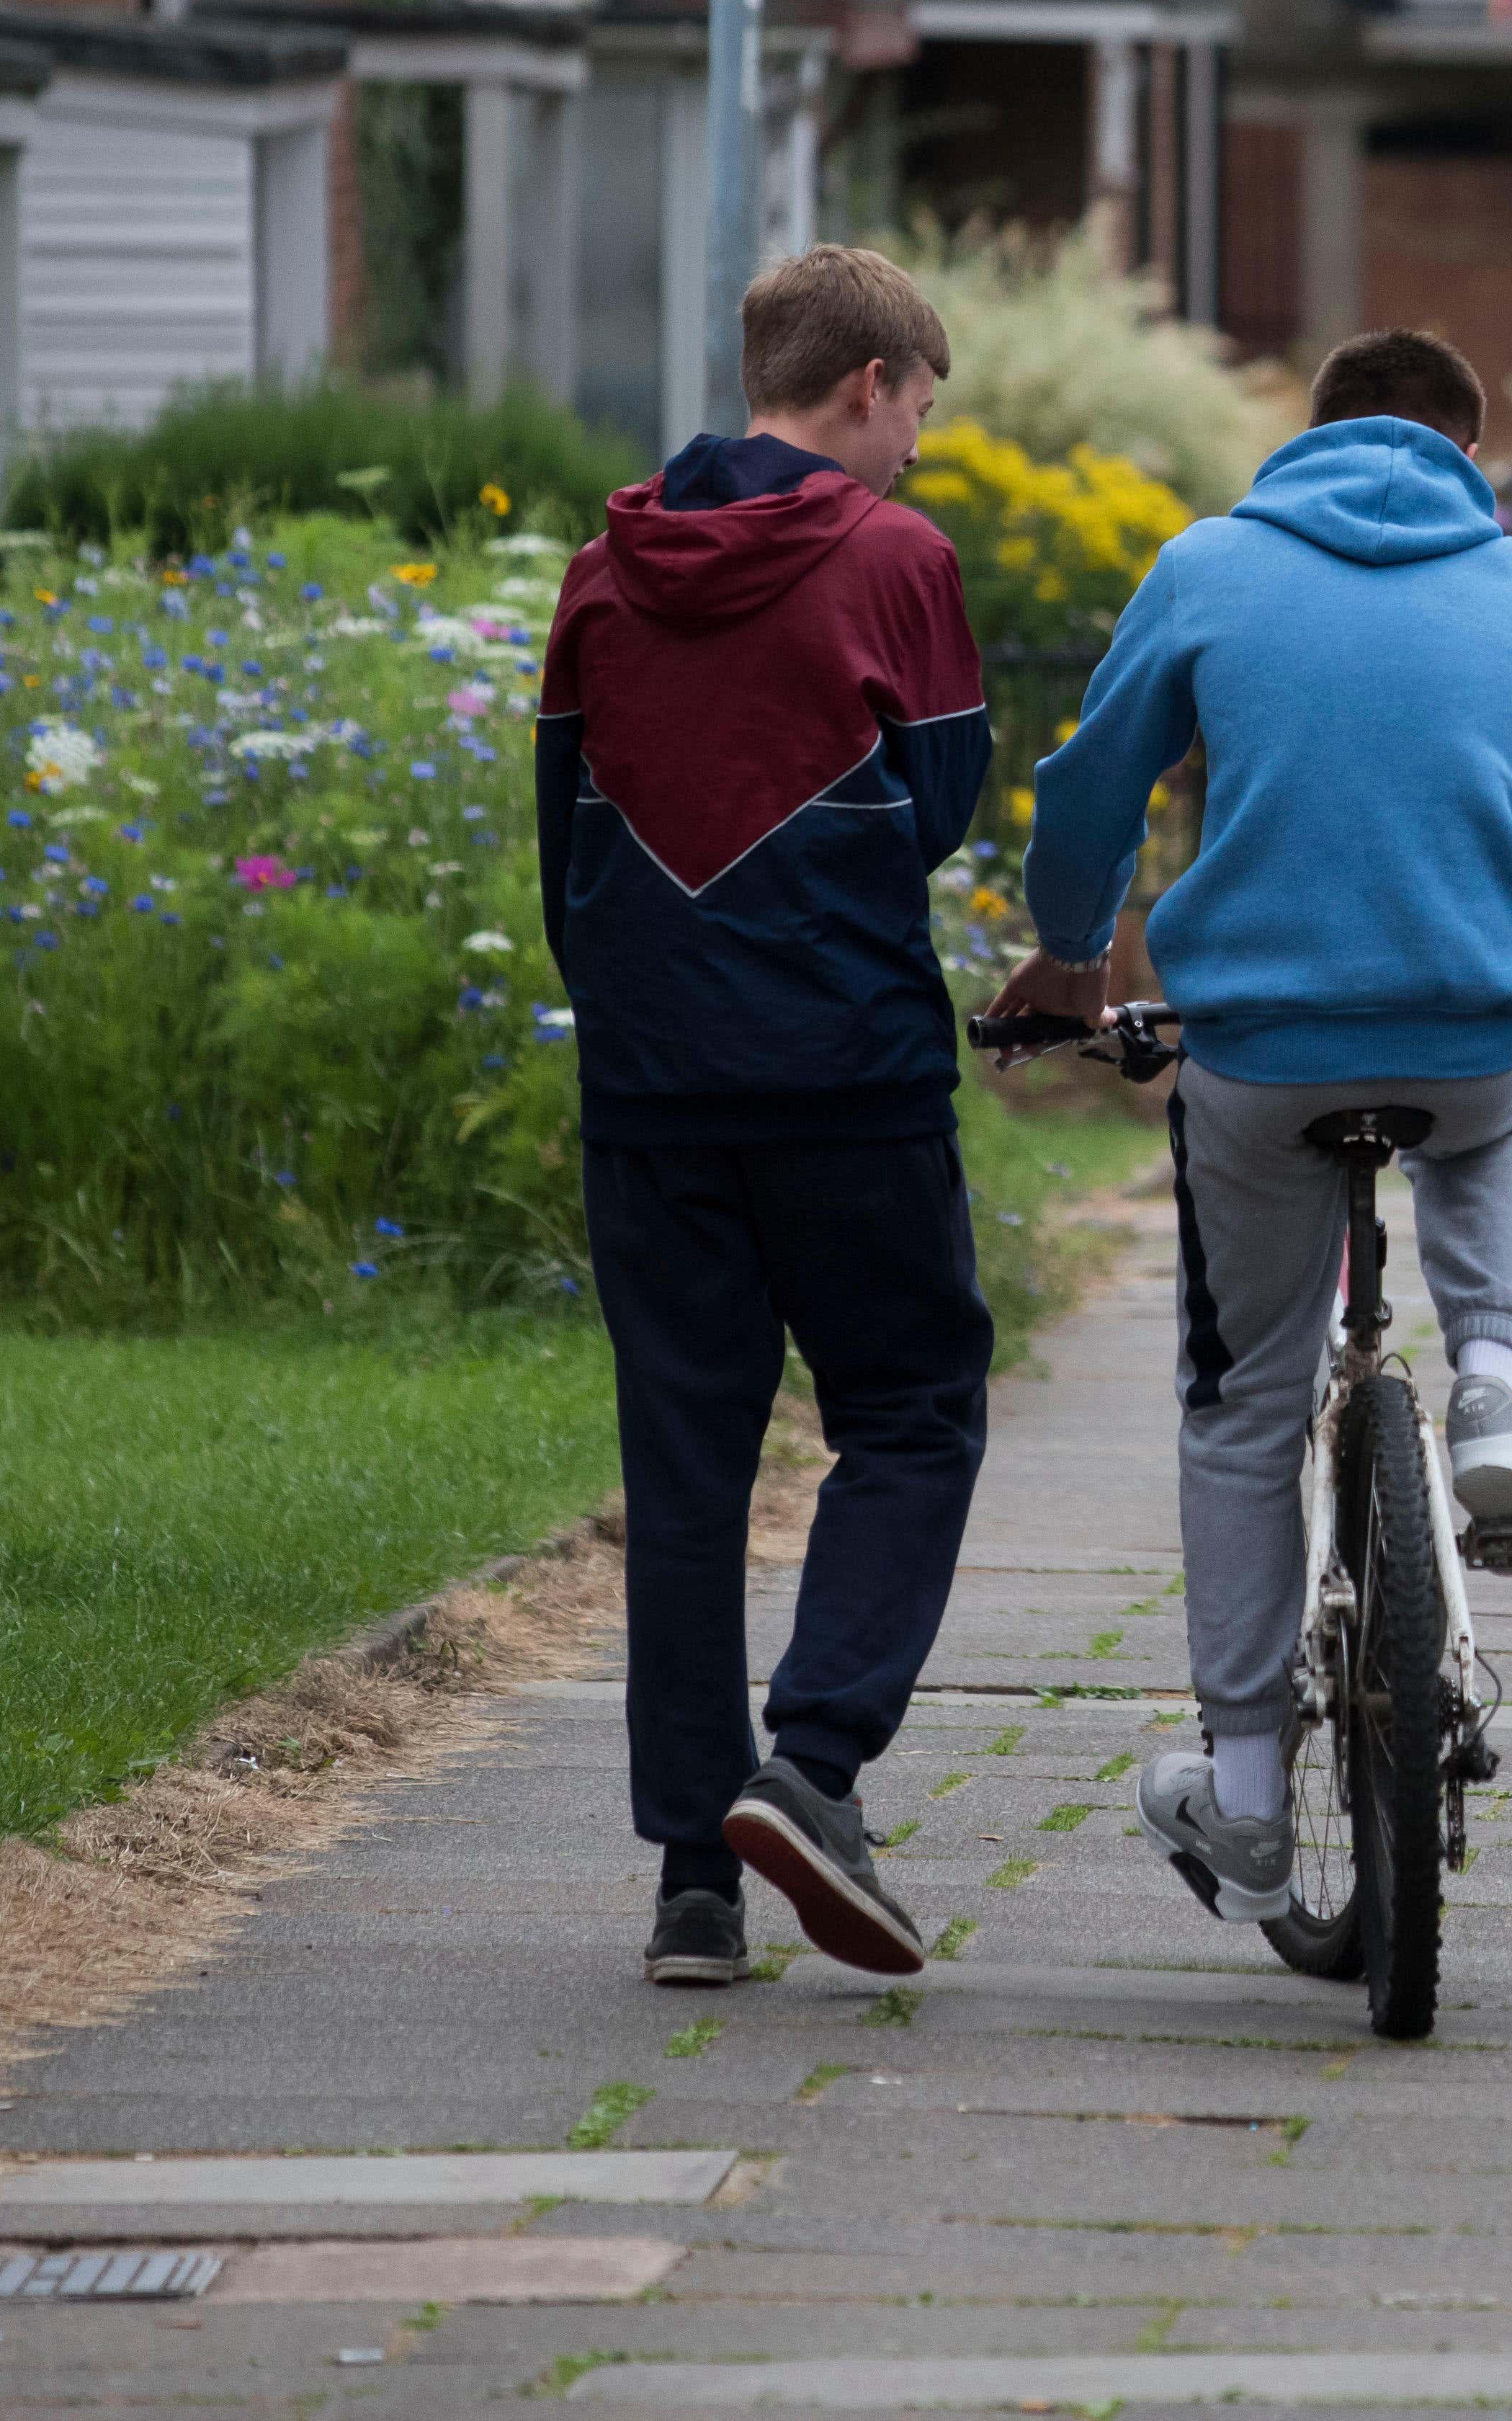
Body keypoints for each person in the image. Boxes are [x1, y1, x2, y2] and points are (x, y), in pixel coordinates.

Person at [992, 328, 1512, 1925]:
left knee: (1242, 1403)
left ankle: (1241, 1802)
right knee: (1487, 1119)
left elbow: (1091, 785)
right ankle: (1493, 1389)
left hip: (1264, 1041)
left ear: (1308, 434)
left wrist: (1073, 947)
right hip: (1457, 1025)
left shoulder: (1209, 565)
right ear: (1465, 446)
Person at [534, 245, 993, 1991]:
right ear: (867, 383)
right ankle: (811, 1765)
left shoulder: (601, 571)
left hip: (651, 1087)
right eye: (919, 417)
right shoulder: (895, 561)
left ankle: (690, 1888)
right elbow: (939, 806)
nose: (919, 456)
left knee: (685, 1465)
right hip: (847, 1076)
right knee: (911, 1411)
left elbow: (560, 831)